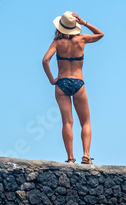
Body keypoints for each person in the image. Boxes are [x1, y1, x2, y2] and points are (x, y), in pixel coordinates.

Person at [42, 11, 104, 164]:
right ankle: (86, 155)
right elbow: (100, 34)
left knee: (67, 123)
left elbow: (45, 60)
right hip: (78, 82)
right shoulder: (82, 39)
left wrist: (52, 80)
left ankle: (70, 158)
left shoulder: (57, 43)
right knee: (86, 122)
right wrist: (84, 23)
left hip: (61, 83)